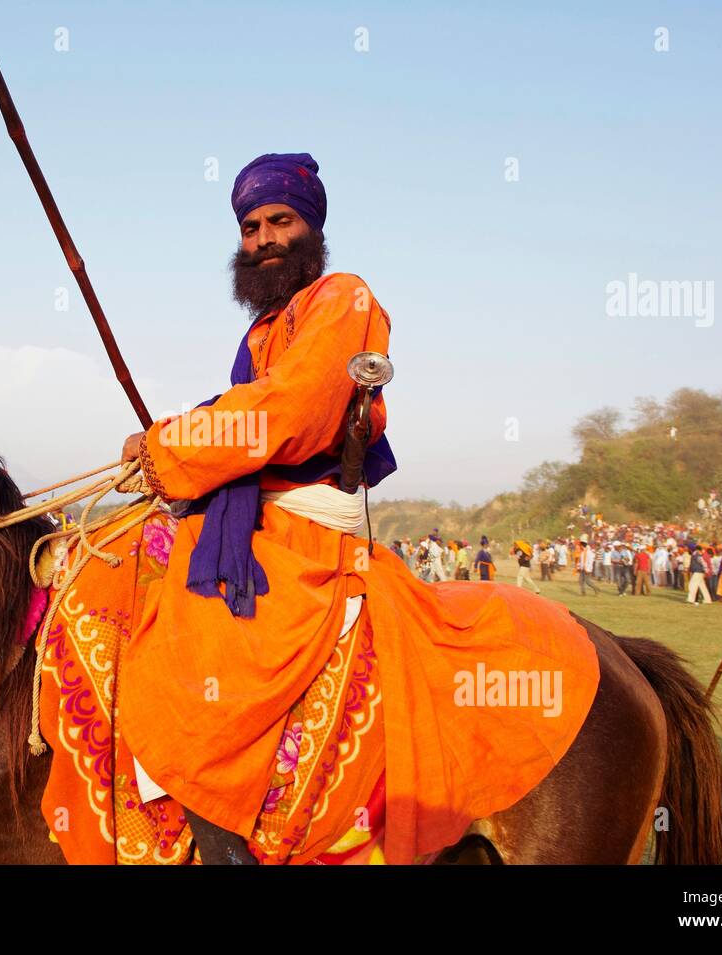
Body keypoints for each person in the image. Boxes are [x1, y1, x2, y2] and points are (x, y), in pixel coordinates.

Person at [112, 153, 595, 865]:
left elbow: (292, 409)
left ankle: (229, 840)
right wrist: (161, 442)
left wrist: (170, 447)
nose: (264, 237)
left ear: (312, 228)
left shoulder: (345, 300)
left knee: (194, 651)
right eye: (250, 226)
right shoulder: (260, 333)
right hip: (253, 526)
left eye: (280, 220)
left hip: (304, 540)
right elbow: (242, 408)